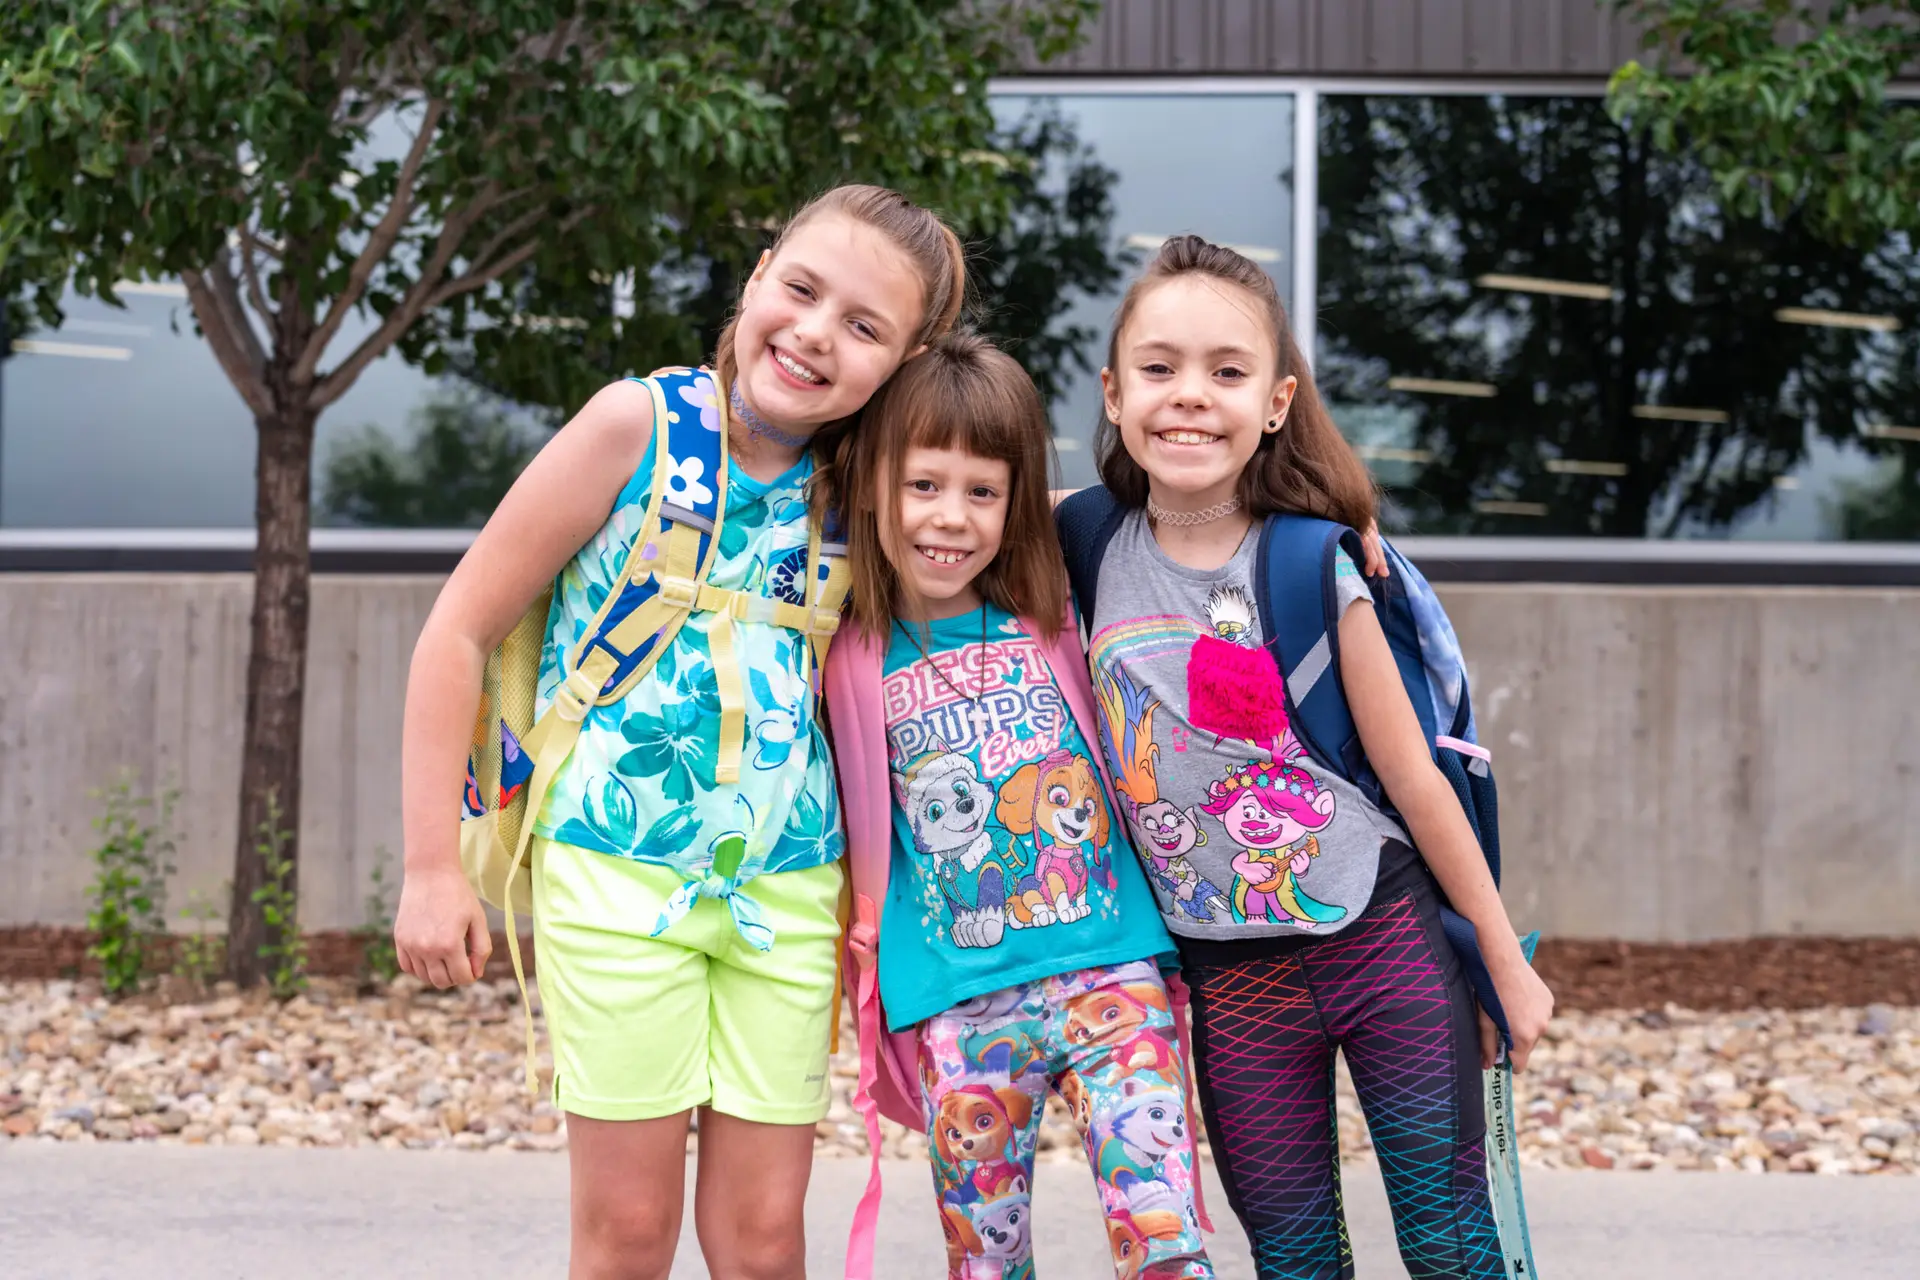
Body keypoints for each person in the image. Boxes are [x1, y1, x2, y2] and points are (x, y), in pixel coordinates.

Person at [393, 184, 966, 1280]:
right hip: (613, 879)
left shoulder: (874, 486)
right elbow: (458, 628)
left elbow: (1027, 526)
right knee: (627, 1237)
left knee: (760, 1244)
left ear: (907, 358)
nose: (813, 334)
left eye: (863, 327)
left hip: (791, 893)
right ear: (756, 279)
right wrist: (429, 867)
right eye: (801, 290)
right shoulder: (637, 427)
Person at [1064, 235, 1554, 1280]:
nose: (1189, 396)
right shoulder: (1081, 541)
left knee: (1451, 1242)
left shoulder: (1310, 560)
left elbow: (1418, 780)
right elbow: (936, 482)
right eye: (1158, 368)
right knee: (1292, 1257)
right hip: (1232, 975)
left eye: (1226, 372)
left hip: (1378, 936)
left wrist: (1503, 960)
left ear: (1277, 401)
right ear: (1113, 393)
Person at [824, 332, 1215, 1280]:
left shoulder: (1058, 606)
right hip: (960, 1005)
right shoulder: (846, 651)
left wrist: (1343, 521)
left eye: (981, 493)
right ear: (875, 486)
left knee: (1167, 1247)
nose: (950, 518)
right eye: (923, 486)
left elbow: (1174, 504)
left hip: (1110, 977)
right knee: (986, 1265)